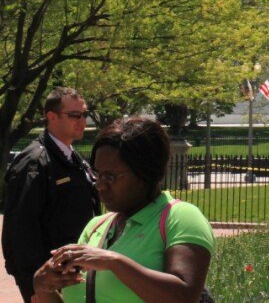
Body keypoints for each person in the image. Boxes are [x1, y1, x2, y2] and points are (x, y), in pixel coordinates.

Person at [31, 117, 214, 303]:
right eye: (97, 174)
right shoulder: (96, 226)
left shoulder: (179, 217)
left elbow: (184, 296)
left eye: (110, 176)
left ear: (145, 173)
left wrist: (114, 262)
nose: (100, 185)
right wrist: (43, 287)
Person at [2, 87, 100, 302]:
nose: (82, 120)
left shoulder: (72, 157)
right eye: (74, 115)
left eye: (84, 114)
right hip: (49, 277)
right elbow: (20, 229)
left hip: (73, 270)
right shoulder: (34, 161)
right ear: (52, 117)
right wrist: (33, 283)